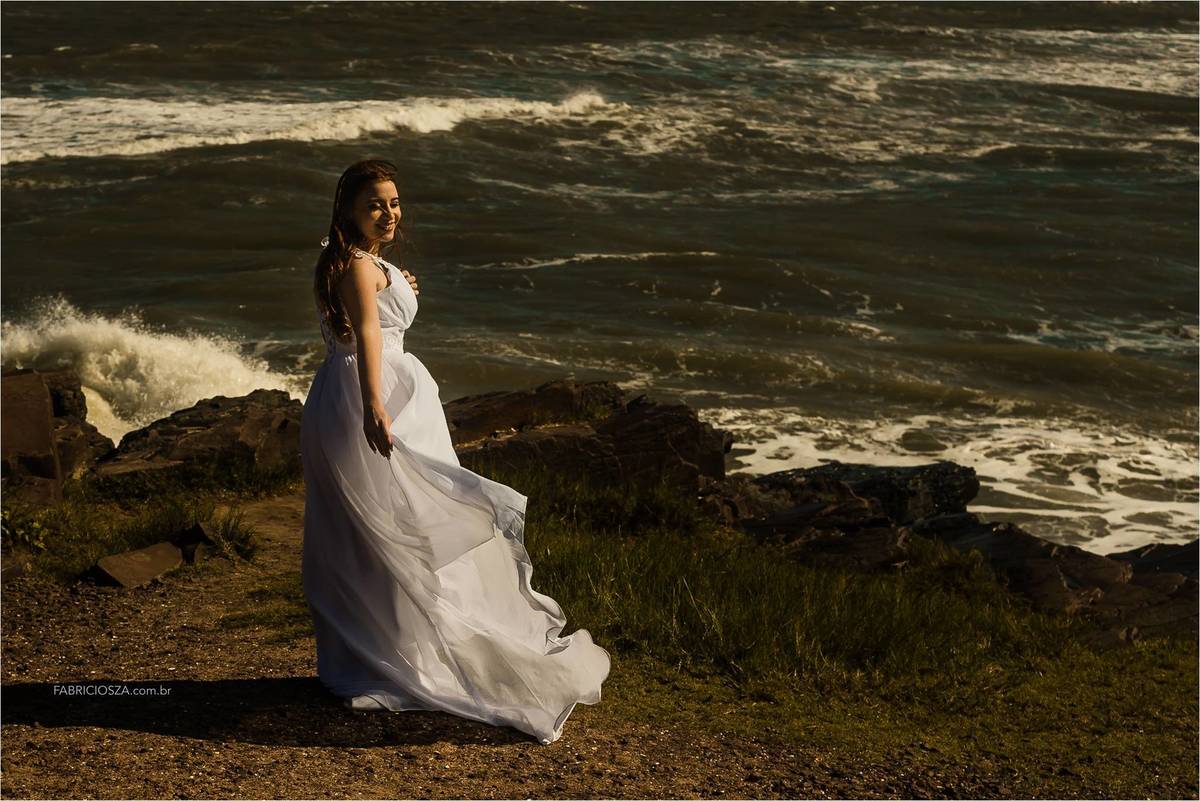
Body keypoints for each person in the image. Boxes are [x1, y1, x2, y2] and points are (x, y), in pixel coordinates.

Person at [299, 159, 610, 745]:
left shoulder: (351, 261)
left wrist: (397, 285)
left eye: (394, 202)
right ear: (348, 210)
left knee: (381, 525)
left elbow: (372, 315)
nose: (388, 213)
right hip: (374, 390)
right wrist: (374, 404)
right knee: (394, 523)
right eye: (374, 205)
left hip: (346, 392)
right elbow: (367, 332)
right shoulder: (359, 265)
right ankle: (390, 657)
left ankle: (375, 653)